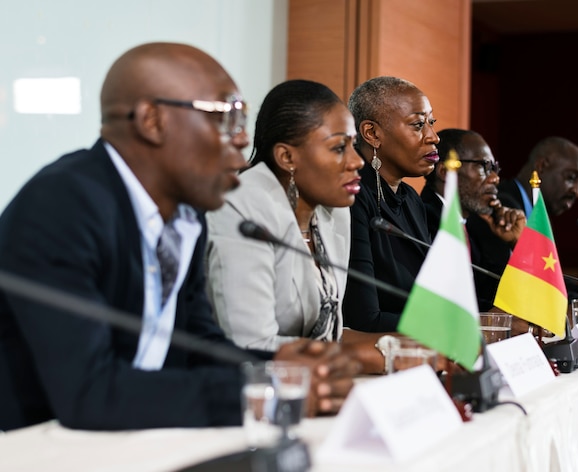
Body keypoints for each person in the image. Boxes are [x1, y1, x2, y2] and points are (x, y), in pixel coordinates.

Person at [0, 43, 359, 432]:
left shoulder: (186, 216)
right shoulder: (62, 206)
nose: (241, 139)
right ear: (152, 121)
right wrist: (262, 390)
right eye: (225, 116)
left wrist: (279, 367)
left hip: (129, 439)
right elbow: (90, 391)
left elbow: (196, 345)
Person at [205, 79, 405, 374]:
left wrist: (404, 346)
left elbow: (327, 335)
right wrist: (380, 357)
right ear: (287, 157)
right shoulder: (241, 209)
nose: (356, 161)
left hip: (307, 384)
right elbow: (251, 346)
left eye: (353, 145)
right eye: (339, 147)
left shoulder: (333, 212)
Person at [342, 76, 438, 332]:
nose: (433, 137)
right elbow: (363, 318)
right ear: (372, 133)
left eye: (431, 123)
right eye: (418, 124)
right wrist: (449, 327)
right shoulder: (350, 198)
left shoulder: (411, 199)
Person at [421, 128, 525, 311]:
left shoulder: (471, 229)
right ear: (445, 171)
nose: (495, 178)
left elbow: (484, 297)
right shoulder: (424, 222)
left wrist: (519, 244)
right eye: (483, 166)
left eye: (494, 169)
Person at [498, 136, 578, 218]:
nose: (577, 192)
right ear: (541, 166)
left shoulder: (540, 220)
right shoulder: (501, 207)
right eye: (571, 178)